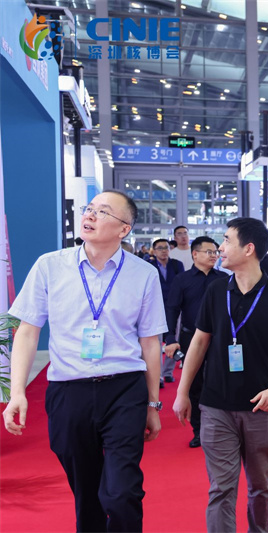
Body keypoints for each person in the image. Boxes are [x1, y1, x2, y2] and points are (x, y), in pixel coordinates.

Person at [3, 190, 166, 532]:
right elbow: (28, 332)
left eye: (103, 212)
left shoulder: (144, 274)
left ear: (124, 229)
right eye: (89, 208)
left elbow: (150, 343)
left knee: (121, 493)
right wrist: (17, 392)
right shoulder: (50, 266)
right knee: (87, 496)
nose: (89, 215)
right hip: (68, 391)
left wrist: (153, 403)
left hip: (124, 389)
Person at [173, 218, 268, 533]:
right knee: (221, 487)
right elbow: (199, 342)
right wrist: (182, 392)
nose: (220, 248)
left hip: (260, 406)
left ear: (249, 248)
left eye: (227, 241)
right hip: (216, 405)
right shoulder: (216, 290)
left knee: (260, 486)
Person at [163, 236, 226, 448]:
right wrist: (170, 338)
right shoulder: (182, 280)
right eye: (209, 252)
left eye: (216, 252)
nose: (214, 255)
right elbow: (172, 309)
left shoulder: (224, 279)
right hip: (191, 337)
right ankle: (199, 431)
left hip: (220, 339)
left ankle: (222, 427)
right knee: (194, 384)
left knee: (220, 382)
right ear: (195, 254)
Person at [148, 238, 185, 387]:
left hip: (174, 307)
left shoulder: (177, 265)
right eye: (160, 248)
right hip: (155, 307)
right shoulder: (148, 266)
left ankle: (168, 372)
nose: (164, 251)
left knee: (173, 339)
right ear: (154, 251)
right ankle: (158, 376)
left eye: (166, 248)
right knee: (156, 342)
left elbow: (181, 285)